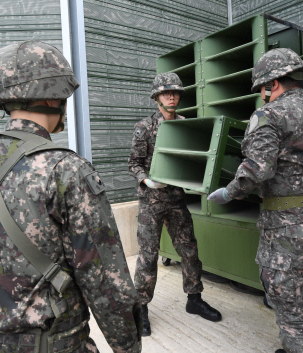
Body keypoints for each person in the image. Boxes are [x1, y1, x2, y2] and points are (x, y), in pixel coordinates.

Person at [0, 40, 141, 353]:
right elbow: (106, 283)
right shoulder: (66, 170)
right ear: (55, 97)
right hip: (51, 344)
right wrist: (127, 345)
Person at [208, 48, 303, 353]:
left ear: (272, 83)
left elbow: (257, 170)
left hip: (292, 230)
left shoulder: (269, 115)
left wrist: (229, 193)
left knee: (292, 308)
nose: (263, 96)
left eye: (263, 89)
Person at [128, 72, 222, 336]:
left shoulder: (184, 125)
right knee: (148, 256)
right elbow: (133, 163)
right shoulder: (144, 127)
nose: (172, 96)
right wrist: (146, 181)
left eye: (176, 92)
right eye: (166, 92)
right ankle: (142, 308)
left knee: (189, 250)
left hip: (176, 200)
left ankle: (194, 299)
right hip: (151, 202)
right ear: (157, 96)